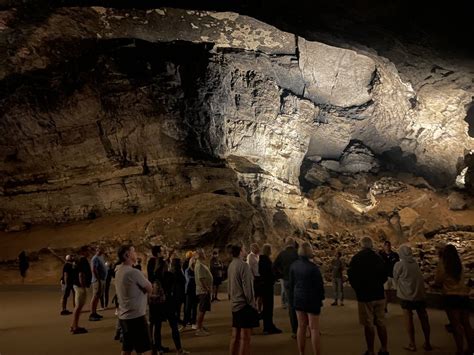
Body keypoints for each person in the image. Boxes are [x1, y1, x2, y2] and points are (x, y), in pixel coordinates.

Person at [348, 236, 389, 355]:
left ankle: (370, 351)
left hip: (365, 296)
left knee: (368, 324)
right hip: (379, 294)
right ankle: (384, 348)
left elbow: (351, 277)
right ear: (371, 245)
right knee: (381, 323)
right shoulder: (378, 257)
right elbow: (385, 275)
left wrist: (359, 289)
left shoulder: (356, 258)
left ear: (361, 246)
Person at [434, 244, 473, 355]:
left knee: (456, 326)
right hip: (463, 296)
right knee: (466, 324)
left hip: (451, 297)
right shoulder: (459, 264)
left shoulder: (444, 265)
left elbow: (438, 280)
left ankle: (459, 350)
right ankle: (471, 348)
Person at [393, 245, 432, 352]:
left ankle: (412, 343)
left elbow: (395, 278)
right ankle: (428, 342)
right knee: (423, 318)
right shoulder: (415, 264)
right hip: (419, 294)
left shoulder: (399, 265)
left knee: (408, 319)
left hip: (406, 295)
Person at [115, 244, 153, 355]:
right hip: (136, 317)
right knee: (146, 350)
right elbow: (149, 288)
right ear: (127, 255)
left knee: (127, 348)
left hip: (124, 316)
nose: (136, 254)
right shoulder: (133, 272)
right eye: (133, 251)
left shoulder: (119, 270)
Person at [289, 242, 324, 355]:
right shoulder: (313, 268)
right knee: (314, 329)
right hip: (312, 300)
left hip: (298, 298)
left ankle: (301, 352)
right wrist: (321, 299)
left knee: (301, 326)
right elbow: (319, 286)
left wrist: (292, 299)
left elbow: (291, 284)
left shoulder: (293, 265)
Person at [149, 257, 190, 355]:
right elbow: (176, 286)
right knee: (174, 327)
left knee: (157, 328)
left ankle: (159, 349)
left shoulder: (153, 276)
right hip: (168, 303)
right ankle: (179, 349)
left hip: (157, 304)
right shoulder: (170, 275)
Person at [228, 244, 259, 355]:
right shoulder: (243, 266)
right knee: (245, 338)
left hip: (235, 303)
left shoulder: (231, 265)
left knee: (235, 335)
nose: (245, 250)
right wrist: (252, 304)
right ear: (241, 251)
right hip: (244, 305)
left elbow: (230, 286)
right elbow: (248, 288)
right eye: (244, 249)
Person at [274, 237, 299, 338]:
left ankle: (295, 330)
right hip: (298, 280)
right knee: (302, 302)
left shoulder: (282, 254)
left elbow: (274, 267)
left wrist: (282, 275)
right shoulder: (297, 253)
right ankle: (308, 328)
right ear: (293, 244)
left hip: (287, 281)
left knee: (291, 305)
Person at [258, 243, 282, 335]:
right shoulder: (267, 261)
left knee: (266, 306)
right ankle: (268, 327)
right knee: (268, 307)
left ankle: (267, 326)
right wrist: (278, 276)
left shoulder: (261, 260)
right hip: (268, 286)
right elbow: (270, 274)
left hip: (264, 286)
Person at [70, 246, 92, 334]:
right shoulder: (83, 260)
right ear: (83, 252)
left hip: (77, 285)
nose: (89, 253)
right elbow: (81, 274)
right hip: (80, 286)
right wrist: (83, 285)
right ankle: (75, 327)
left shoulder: (77, 260)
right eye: (88, 251)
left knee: (78, 307)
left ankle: (74, 325)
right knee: (78, 307)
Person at [194, 249, 213, 336]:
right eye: (204, 253)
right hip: (203, 290)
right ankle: (198, 329)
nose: (205, 254)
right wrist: (207, 288)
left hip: (203, 290)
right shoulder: (200, 265)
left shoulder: (200, 264)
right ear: (200, 255)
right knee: (202, 310)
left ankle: (200, 326)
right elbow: (201, 278)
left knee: (203, 309)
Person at [379, 241, 399, 313]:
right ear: (384, 246)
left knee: (399, 291)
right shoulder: (380, 255)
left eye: (388, 245)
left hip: (394, 276)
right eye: (386, 245)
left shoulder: (395, 255)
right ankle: (385, 307)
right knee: (386, 292)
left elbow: (397, 265)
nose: (387, 246)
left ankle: (407, 308)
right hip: (385, 277)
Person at [89, 246, 107, 321]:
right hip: (97, 280)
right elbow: (94, 269)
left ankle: (94, 312)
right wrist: (98, 279)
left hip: (102, 279)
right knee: (95, 296)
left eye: (102, 249)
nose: (100, 250)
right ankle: (92, 314)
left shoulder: (101, 257)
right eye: (99, 249)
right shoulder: (95, 258)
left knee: (98, 296)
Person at [182, 256, 198, 331]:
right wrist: (196, 278)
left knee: (194, 307)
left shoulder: (197, 270)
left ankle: (193, 322)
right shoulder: (187, 270)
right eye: (194, 261)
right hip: (189, 291)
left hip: (195, 290)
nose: (195, 262)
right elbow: (189, 279)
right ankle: (185, 323)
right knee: (187, 308)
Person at [247, 243, 263, 313]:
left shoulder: (258, 256)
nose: (258, 249)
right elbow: (249, 268)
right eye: (256, 248)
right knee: (255, 295)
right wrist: (252, 277)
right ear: (252, 249)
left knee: (260, 294)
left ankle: (259, 309)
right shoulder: (250, 256)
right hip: (255, 278)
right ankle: (253, 309)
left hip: (260, 276)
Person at [170, 258, 186, 325]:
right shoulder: (177, 271)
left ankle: (177, 318)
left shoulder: (173, 270)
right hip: (178, 291)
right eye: (180, 262)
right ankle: (177, 319)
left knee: (177, 306)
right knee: (177, 306)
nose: (181, 263)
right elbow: (182, 280)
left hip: (176, 290)